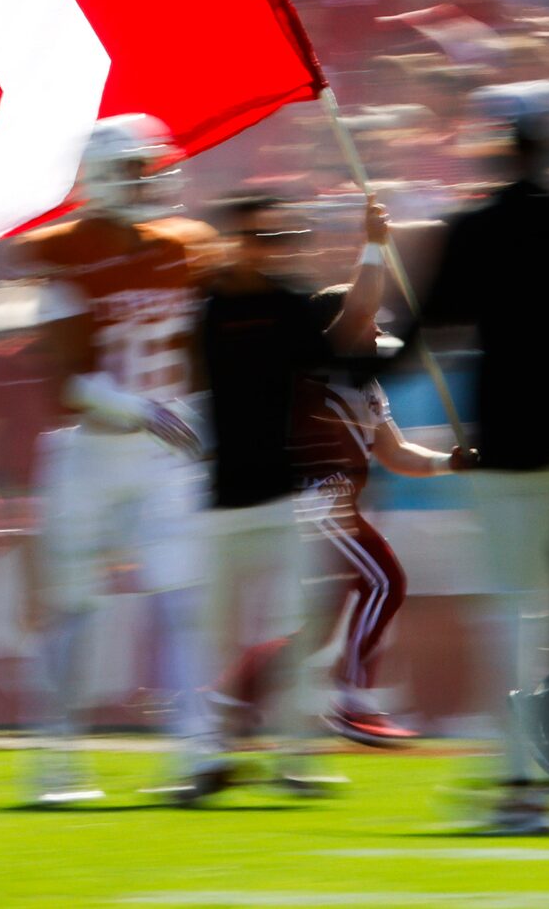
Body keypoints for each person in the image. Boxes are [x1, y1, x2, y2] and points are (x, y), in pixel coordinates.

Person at [413, 80, 549, 833]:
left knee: (513, 614)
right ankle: (532, 772)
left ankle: (516, 780)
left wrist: (350, 365)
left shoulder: (472, 229)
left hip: (502, 448)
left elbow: (421, 332)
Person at [9, 115, 220, 807]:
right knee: (77, 610)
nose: (149, 179)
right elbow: (68, 380)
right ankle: (56, 759)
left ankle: (196, 750)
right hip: (91, 455)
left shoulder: (183, 247)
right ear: (103, 179)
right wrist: (144, 410)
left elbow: (196, 351)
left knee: (185, 602)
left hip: (166, 457)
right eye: (134, 169)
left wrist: (193, 411)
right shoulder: (65, 253)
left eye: (148, 167)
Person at [189, 191, 385, 798]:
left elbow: (349, 335)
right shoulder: (204, 310)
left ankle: (294, 760)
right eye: (260, 237)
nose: (271, 249)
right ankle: (207, 758)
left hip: (280, 499)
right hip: (218, 503)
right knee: (209, 638)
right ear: (234, 239)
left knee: (302, 627)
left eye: (279, 238)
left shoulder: (285, 306)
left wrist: (375, 247)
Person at [222, 341, 467, 747]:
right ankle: (352, 699)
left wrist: (448, 462)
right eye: (367, 325)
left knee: (320, 627)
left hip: (336, 505)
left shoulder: (368, 385)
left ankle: (232, 695)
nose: (375, 334)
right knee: (385, 581)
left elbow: (396, 452)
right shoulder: (310, 375)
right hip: (317, 503)